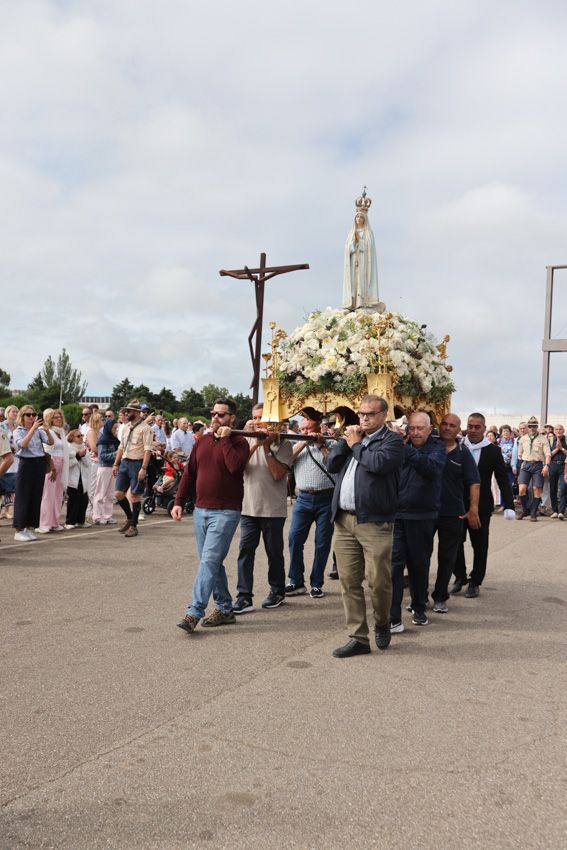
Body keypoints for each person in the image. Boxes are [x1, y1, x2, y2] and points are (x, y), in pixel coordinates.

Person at [325, 394, 405, 657]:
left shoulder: (392, 440)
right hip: (344, 521)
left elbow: (377, 464)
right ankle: (358, 638)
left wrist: (356, 444)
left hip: (375, 522)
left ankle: (382, 621)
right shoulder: (352, 439)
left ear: (383, 415)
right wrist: (345, 443)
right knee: (348, 582)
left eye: (370, 414)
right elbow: (331, 464)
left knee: (378, 582)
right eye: (361, 413)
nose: (364, 418)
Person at [173, 398, 249, 633]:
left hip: (226, 511)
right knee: (211, 562)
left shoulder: (239, 442)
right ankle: (225, 609)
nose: (215, 417)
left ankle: (194, 612)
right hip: (200, 510)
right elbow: (189, 473)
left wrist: (225, 439)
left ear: (231, 418)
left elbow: (235, 467)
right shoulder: (202, 441)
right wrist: (178, 501)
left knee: (209, 561)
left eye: (221, 414)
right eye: (213, 413)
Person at [233, 403, 293, 613]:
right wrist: (256, 445)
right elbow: (238, 468)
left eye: (261, 418)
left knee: (274, 553)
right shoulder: (247, 440)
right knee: (245, 552)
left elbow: (278, 475)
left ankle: (277, 592)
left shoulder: (284, 444)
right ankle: (244, 597)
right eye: (254, 417)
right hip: (248, 508)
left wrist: (266, 447)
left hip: (272, 509)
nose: (256, 422)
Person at [389, 412, 445, 631]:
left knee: (419, 565)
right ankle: (393, 615)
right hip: (397, 515)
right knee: (394, 566)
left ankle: (419, 605)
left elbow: (431, 468)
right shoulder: (402, 446)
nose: (415, 432)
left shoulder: (437, 447)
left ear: (430, 429)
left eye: (420, 428)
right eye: (411, 428)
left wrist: (404, 449)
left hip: (422, 516)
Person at [451, 413, 515, 598]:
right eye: (470, 426)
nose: (473, 430)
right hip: (456, 504)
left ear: (484, 428)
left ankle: (475, 581)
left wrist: (509, 505)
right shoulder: (458, 446)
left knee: (480, 545)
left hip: (481, 506)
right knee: (454, 542)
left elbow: (502, 479)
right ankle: (459, 576)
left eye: (477, 427)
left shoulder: (493, 451)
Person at [430, 414, 480, 615]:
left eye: (452, 425)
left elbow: (474, 483)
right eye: (444, 424)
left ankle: (440, 597)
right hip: (426, 512)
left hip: (452, 514)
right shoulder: (428, 447)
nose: (447, 428)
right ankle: (419, 596)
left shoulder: (463, 453)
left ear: (459, 430)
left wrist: (473, 510)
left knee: (446, 558)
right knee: (420, 556)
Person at [285, 418, 336, 599]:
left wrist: (320, 444)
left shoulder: (331, 443)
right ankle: (296, 581)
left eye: (308, 429)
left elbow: (334, 464)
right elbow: (287, 461)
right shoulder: (298, 445)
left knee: (322, 542)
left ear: (318, 428)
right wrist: (303, 443)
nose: (304, 432)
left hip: (327, 498)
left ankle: (316, 584)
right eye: (302, 429)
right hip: (303, 499)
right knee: (294, 538)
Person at [112, 400, 155, 538]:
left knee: (134, 495)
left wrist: (144, 467)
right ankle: (130, 518)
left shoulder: (145, 428)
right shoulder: (126, 427)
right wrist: (116, 464)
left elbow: (148, 450)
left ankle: (134, 526)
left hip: (137, 464)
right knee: (118, 494)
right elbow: (121, 447)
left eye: (128, 411)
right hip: (125, 463)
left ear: (136, 413)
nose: (126, 413)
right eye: (125, 411)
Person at [12, 406, 54, 541]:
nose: (31, 417)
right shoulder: (18, 431)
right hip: (26, 464)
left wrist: (47, 431)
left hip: (39, 463)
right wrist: (33, 429)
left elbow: (51, 442)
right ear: (22, 417)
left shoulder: (39, 431)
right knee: (23, 497)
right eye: (28, 415)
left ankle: (28, 528)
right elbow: (22, 444)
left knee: (35, 497)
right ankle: (18, 530)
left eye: (33, 414)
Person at [342, 193, 380, 311]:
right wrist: (354, 242)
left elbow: (370, 248)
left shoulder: (368, 232)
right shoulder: (351, 232)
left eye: (361, 217)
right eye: (357, 217)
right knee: (354, 282)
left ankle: (362, 303)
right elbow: (347, 249)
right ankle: (353, 303)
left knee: (362, 281)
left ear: (365, 219)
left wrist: (360, 241)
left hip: (364, 261)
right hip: (354, 261)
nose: (359, 219)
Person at [37, 408, 71, 533]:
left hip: (62, 464)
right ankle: (44, 524)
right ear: (50, 419)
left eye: (60, 417)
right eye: (56, 417)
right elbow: (47, 451)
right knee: (48, 495)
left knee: (57, 495)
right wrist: (52, 468)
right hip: (51, 465)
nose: (59, 419)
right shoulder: (47, 431)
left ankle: (54, 522)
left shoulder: (61, 433)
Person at [517, 416, 551, 522]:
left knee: (536, 489)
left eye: (534, 426)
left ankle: (533, 513)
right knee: (522, 489)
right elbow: (520, 454)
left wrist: (546, 466)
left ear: (537, 427)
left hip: (537, 465)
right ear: (528, 427)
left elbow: (548, 454)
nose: (532, 428)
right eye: (530, 426)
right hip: (526, 465)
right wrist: (526, 459)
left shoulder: (543, 439)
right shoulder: (523, 439)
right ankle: (524, 510)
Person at [93, 418, 120, 525]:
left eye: (116, 428)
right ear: (108, 428)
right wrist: (116, 454)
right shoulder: (103, 440)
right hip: (104, 468)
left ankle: (107, 516)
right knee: (100, 493)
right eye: (113, 428)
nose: (115, 430)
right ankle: (97, 516)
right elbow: (102, 456)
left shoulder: (114, 440)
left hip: (112, 468)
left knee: (110, 494)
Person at [65, 430, 92, 528]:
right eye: (78, 436)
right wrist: (77, 456)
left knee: (83, 500)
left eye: (82, 435)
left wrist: (82, 455)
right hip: (72, 478)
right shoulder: (67, 447)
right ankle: (70, 522)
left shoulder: (84, 447)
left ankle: (80, 520)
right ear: (72, 437)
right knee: (73, 501)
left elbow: (88, 463)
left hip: (83, 478)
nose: (81, 437)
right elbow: (67, 464)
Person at [0, 405, 19, 519]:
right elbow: (3, 441)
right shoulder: (2, 426)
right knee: (3, 480)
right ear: (8, 413)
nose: (15, 414)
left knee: (12, 484)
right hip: (5, 456)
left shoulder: (18, 426)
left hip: (16, 458)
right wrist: (12, 446)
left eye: (17, 412)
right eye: (13, 412)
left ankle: (6, 510)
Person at [548, 424, 567, 519]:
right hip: (553, 465)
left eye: (560, 429)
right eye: (556, 429)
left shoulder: (566, 440)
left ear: (563, 430)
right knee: (553, 489)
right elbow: (547, 455)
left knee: (564, 488)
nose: (558, 431)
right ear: (554, 431)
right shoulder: (550, 441)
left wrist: (562, 448)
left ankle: (561, 511)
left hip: (564, 465)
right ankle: (555, 510)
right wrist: (556, 449)